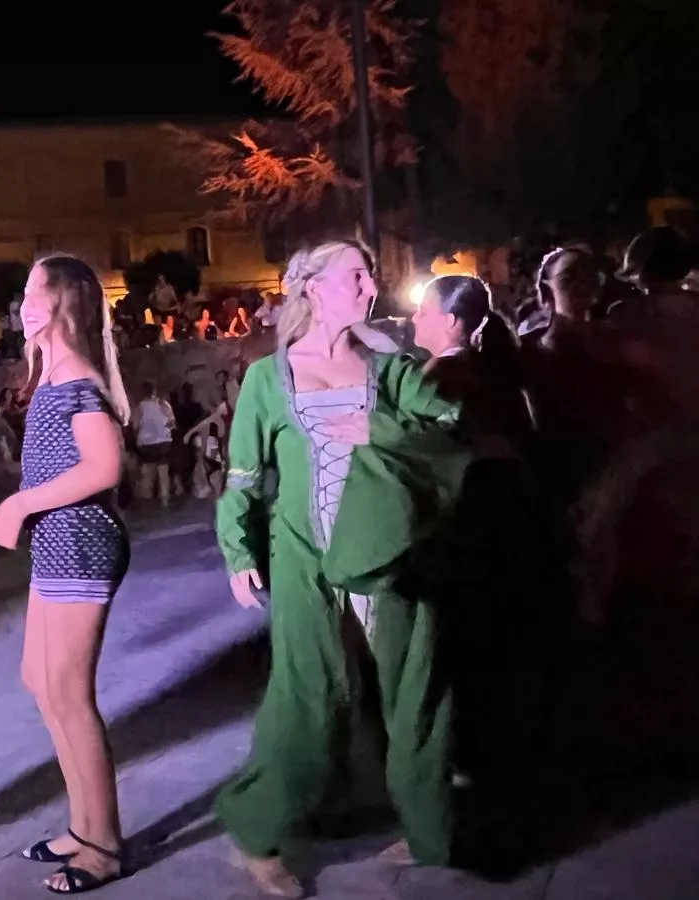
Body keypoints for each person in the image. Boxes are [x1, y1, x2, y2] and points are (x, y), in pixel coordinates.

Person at [215, 241, 469, 897]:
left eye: (368, 275)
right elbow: (243, 476)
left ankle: (427, 827)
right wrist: (239, 552)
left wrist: (379, 431)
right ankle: (259, 834)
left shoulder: (391, 368)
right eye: (353, 275)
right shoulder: (268, 378)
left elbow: (452, 429)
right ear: (314, 289)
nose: (368, 285)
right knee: (308, 692)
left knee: (413, 689)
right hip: (303, 554)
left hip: (387, 552)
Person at [0, 254, 131, 894]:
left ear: (60, 302)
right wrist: (0, 478)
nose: (22, 302)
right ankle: (82, 824)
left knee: (69, 694)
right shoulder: (52, 376)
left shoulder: (77, 380)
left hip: (82, 545)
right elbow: (58, 465)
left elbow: (104, 467)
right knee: (40, 680)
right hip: (57, 547)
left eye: (31, 290)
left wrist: (20, 505)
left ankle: (104, 845)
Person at [130, 380, 175, 504]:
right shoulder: (164, 404)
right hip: (164, 443)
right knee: (163, 477)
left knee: (147, 479)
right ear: (155, 391)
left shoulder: (140, 407)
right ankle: (165, 504)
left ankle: (148, 507)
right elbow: (172, 423)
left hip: (146, 444)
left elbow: (135, 426)